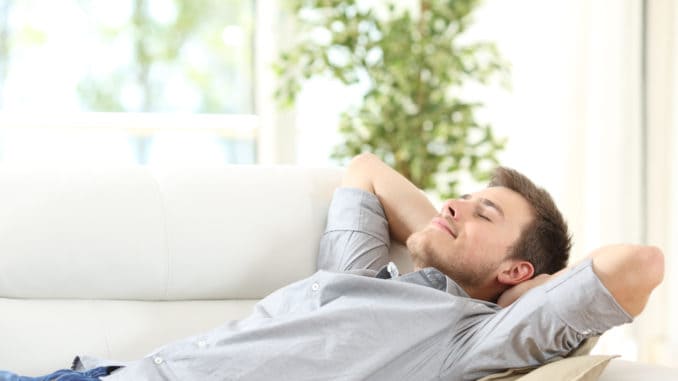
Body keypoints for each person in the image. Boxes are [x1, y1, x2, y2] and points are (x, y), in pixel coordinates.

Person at [0, 153, 664, 381]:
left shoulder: (470, 338)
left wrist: (537, 295)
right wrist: (444, 235)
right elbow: (365, 171)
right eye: (462, 196)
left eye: (485, 212)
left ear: (519, 271)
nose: (454, 204)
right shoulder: (365, 276)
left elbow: (637, 264)